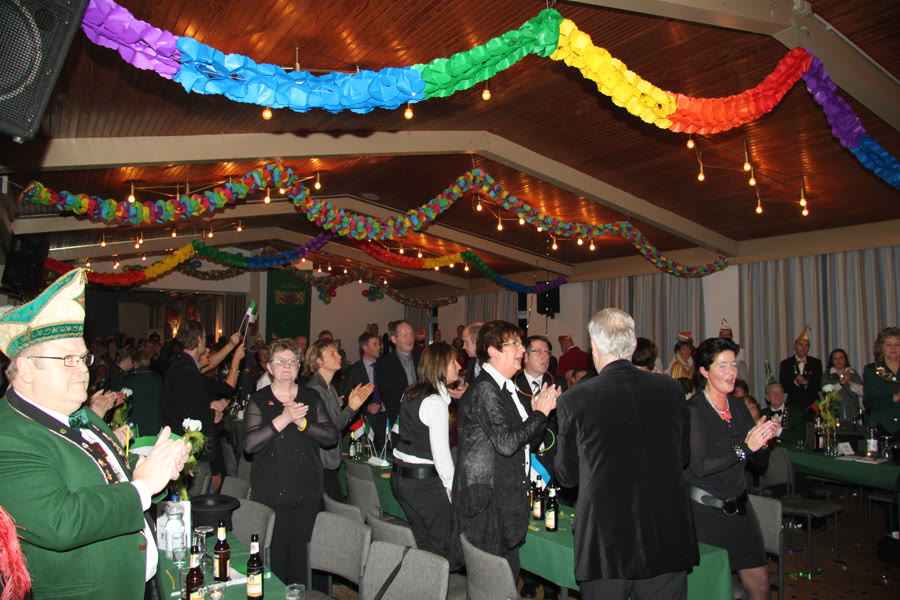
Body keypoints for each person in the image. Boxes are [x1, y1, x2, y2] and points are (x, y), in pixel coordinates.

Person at [0, 268, 190, 600]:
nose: (83, 369)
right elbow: (60, 522)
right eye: (67, 359)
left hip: (138, 581)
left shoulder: (83, 414)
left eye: (83, 358)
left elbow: (113, 470)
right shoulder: (9, 436)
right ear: (27, 368)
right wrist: (144, 487)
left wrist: (157, 465)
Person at [555, 308, 697, 599]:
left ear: (594, 347)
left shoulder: (575, 399)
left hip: (606, 542)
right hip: (666, 532)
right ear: (632, 345)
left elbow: (567, 476)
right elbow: (682, 457)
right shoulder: (671, 388)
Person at [451, 320, 559, 578]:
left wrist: (539, 415)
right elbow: (507, 443)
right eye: (515, 344)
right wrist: (539, 415)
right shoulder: (486, 389)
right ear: (493, 350)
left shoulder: (506, 388)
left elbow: (527, 443)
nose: (522, 350)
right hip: (487, 506)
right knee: (492, 584)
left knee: (504, 580)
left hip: (503, 504)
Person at [686, 337, 780, 600]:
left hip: (740, 511)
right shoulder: (693, 410)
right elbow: (701, 466)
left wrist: (763, 441)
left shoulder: (738, 407)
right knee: (708, 592)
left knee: (760, 586)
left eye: (734, 365)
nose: (731, 372)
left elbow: (759, 464)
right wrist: (746, 447)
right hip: (704, 515)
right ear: (704, 371)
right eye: (722, 365)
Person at [244, 338, 338, 585]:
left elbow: (330, 437)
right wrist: (284, 419)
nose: (286, 366)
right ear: (269, 367)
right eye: (280, 361)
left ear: (299, 366)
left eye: (292, 361)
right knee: (275, 563)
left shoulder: (311, 397)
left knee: (302, 564)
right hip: (271, 493)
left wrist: (304, 423)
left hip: (307, 492)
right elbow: (250, 444)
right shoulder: (259, 400)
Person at [391, 342, 459, 558]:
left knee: (424, 542)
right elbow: (442, 456)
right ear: (439, 366)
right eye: (453, 362)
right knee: (445, 546)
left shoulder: (410, 392)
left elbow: (396, 431)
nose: (458, 366)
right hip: (423, 485)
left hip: (400, 479)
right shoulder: (435, 402)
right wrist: (453, 490)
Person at [305, 339, 372, 501]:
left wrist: (340, 406)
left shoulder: (329, 387)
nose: (339, 356)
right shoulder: (316, 390)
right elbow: (330, 429)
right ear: (319, 361)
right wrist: (351, 408)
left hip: (326, 462)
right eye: (332, 354)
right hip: (319, 464)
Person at [374, 320, 420, 451]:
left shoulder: (422, 357)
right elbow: (388, 397)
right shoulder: (384, 364)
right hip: (399, 423)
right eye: (405, 336)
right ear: (394, 339)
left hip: (423, 421)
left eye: (411, 334)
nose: (410, 339)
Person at [778, 326, 823, 424]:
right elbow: (784, 386)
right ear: (795, 346)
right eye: (800, 345)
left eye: (806, 345)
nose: (803, 348)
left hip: (813, 405)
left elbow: (819, 384)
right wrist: (796, 382)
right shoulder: (786, 364)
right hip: (794, 404)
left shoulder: (816, 363)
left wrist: (807, 383)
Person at [863, 327, 900, 433]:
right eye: (888, 345)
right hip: (883, 427)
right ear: (881, 347)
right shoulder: (872, 370)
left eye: (897, 344)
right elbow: (870, 403)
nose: (893, 348)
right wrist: (895, 398)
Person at [124, 348, 164, 437]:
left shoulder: (129, 379)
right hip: (153, 423)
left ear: (135, 362)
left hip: (135, 425)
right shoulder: (158, 379)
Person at [824, 348, 864, 423]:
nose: (838, 361)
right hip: (834, 415)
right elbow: (826, 393)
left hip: (853, 414)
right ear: (832, 361)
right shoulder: (827, 375)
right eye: (835, 358)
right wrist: (842, 382)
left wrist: (849, 381)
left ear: (845, 360)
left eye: (841, 358)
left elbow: (863, 391)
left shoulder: (853, 373)